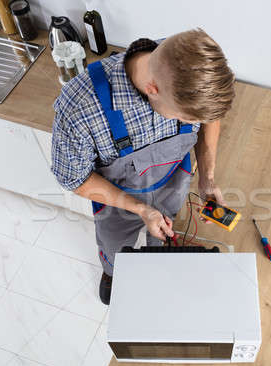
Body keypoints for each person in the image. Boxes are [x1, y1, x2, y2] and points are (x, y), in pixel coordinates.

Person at [51, 28, 235, 305]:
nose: (192, 121)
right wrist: (140, 209)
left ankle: (157, 252)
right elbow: (75, 180)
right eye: (185, 116)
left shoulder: (185, 64)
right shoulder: (81, 107)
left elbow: (209, 118)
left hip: (174, 180)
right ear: (152, 89)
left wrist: (207, 177)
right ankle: (112, 272)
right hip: (116, 199)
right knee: (114, 244)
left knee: (164, 227)